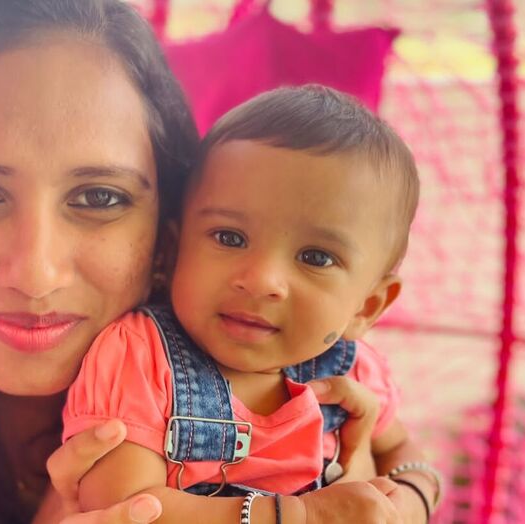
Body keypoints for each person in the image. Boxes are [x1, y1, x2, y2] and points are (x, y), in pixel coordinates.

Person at [0, 1, 398, 523]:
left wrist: (406, 487)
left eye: (99, 198)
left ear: (168, 231)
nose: (36, 273)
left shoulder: (308, 376)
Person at [63, 86, 441, 523]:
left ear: (366, 307)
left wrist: (411, 500)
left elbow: (399, 447)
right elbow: (125, 508)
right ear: (172, 248)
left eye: (315, 258)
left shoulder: (355, 369)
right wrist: (299, 516)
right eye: (230, 237)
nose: (261, 281)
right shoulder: (141, 357)